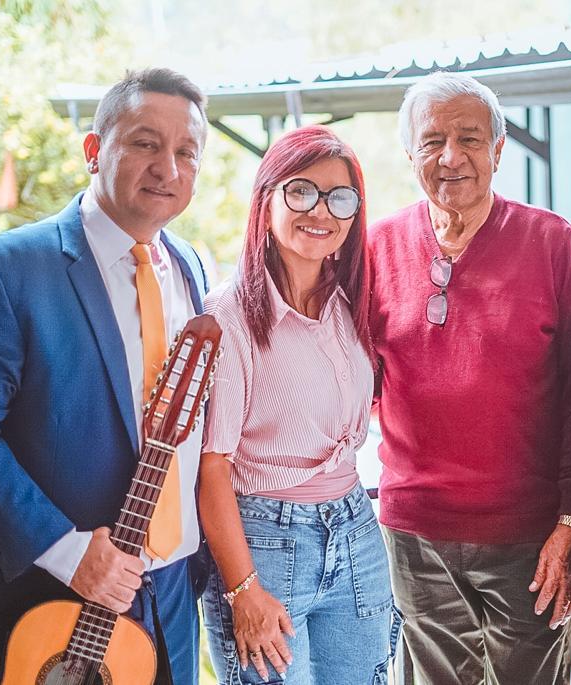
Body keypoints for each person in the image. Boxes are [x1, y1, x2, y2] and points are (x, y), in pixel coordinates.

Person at [0, 67, 210, 684]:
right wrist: (71, 553)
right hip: (48, 602)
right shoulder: (3, 269)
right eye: (144, 143)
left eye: (186, 151)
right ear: (93, 150)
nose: (168, 167)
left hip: (174, 603)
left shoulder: (189, 267)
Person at [368, 71, 571, 684]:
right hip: (415, 530)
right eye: (432, 140)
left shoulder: (551, 240)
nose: (451, 157)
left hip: (530, 530)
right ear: (409, 152)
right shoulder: (375, 245)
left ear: (498, 149)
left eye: (469, 139)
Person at [199, 125, 399, 685]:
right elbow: (212, 466)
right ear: (266, 201)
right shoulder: (229, 315)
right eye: (301, 191)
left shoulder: (350, 300)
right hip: (265, 540)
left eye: (340, 198)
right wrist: (243, 589)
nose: (321, 211)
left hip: (356, 527)